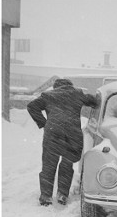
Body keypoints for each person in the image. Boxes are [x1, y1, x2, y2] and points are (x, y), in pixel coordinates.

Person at [27, 78, 98, 206]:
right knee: (67, 163)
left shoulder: (48, 96)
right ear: (70, 86)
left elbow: (31, 106)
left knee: (49, 164)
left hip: (53, 132)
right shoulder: (77, 94)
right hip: (71, 134)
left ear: (55, 87)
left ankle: (46, 196)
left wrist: (44, 123)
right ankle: (62, 195)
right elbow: (94, 101)